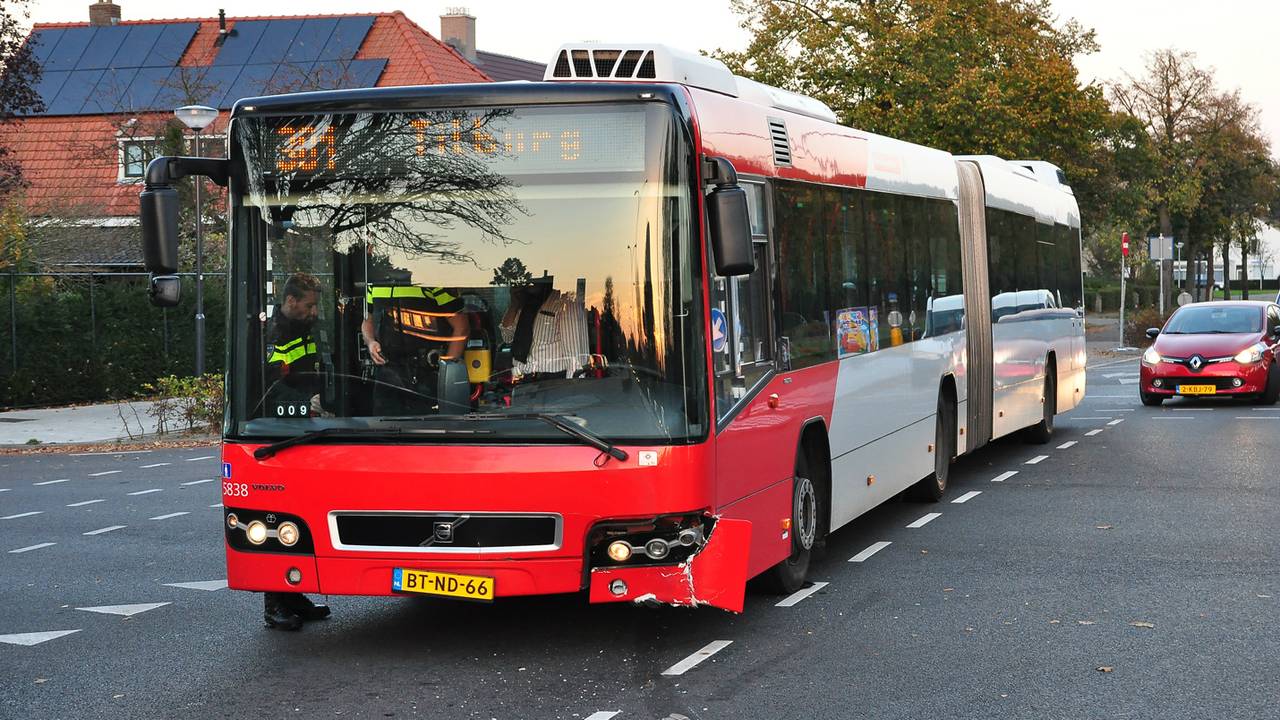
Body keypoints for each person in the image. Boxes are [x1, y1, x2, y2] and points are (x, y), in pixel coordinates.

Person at [261, 272, 331, 631]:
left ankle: (293, 595)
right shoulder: (273, 335)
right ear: (290, 301)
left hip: (305, 426)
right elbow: (270, 386)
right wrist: (306, 404)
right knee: (279, 519)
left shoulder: (303, 327)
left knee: (302, 516)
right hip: (283, 428)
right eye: (309, 305)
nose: (314, 311)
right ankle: (275, 603)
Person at [361, 284, 470, 413]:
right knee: (385, 423)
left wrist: (447, 375)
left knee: (430, 424)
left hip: (426, 374)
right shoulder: (374, 283)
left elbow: (461, 327)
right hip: (387, 373)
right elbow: (367, 320)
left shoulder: (432, 281)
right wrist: (370, 341)